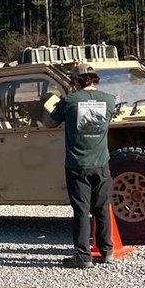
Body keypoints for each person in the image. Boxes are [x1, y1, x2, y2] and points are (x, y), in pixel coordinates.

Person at [47, 64, 117, 269]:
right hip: (102, 164)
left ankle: (83, 255)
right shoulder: (109, 100)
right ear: (93, 79)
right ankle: (106, 251)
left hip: (77, 165)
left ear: (76, 80)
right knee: (102, 208)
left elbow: (50, 123)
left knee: (81, 211)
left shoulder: (69, 101)